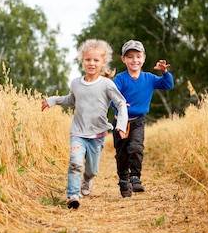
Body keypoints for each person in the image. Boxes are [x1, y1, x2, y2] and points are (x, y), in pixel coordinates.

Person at [42, 39, 128, 209]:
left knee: (92, 169)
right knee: (75, 163)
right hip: (78, 132)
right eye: (88, 59)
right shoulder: (76, 83)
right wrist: (53, 100)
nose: (91, 63)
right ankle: (73, 195)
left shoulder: (107, 84)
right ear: (82, 60)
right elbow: (71, 100)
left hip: (97, 135)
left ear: (103, 62)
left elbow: (121, 103)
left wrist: (121, 125)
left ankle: (87, 180)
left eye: (96, 60)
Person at [112, 39, 174, 197]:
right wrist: (120, 105)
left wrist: (164, 72)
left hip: (138, 120)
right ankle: (124, 181)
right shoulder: (120, 79)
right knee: (122, 153)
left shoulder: (149, 78)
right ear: (123, 59)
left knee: (137, 147)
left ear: (144, 58)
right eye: (130, 57)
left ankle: (135, 178)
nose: (135, 60)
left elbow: (168, 85)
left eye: (138, 56)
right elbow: (112, 96)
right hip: (121, 121)